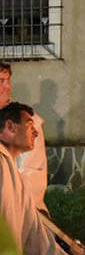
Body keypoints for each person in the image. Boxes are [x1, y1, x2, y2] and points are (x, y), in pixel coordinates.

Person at [0, 102, 85, 255]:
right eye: (29, 125)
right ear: (10, 127)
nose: (35, 132)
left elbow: (36, 235)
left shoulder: (14, 175)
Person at [0, 62, 48, 213]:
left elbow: (33, 179)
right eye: (1, 81)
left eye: (8, 80)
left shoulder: (28, 124)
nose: (7, 86)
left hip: (20, 212)